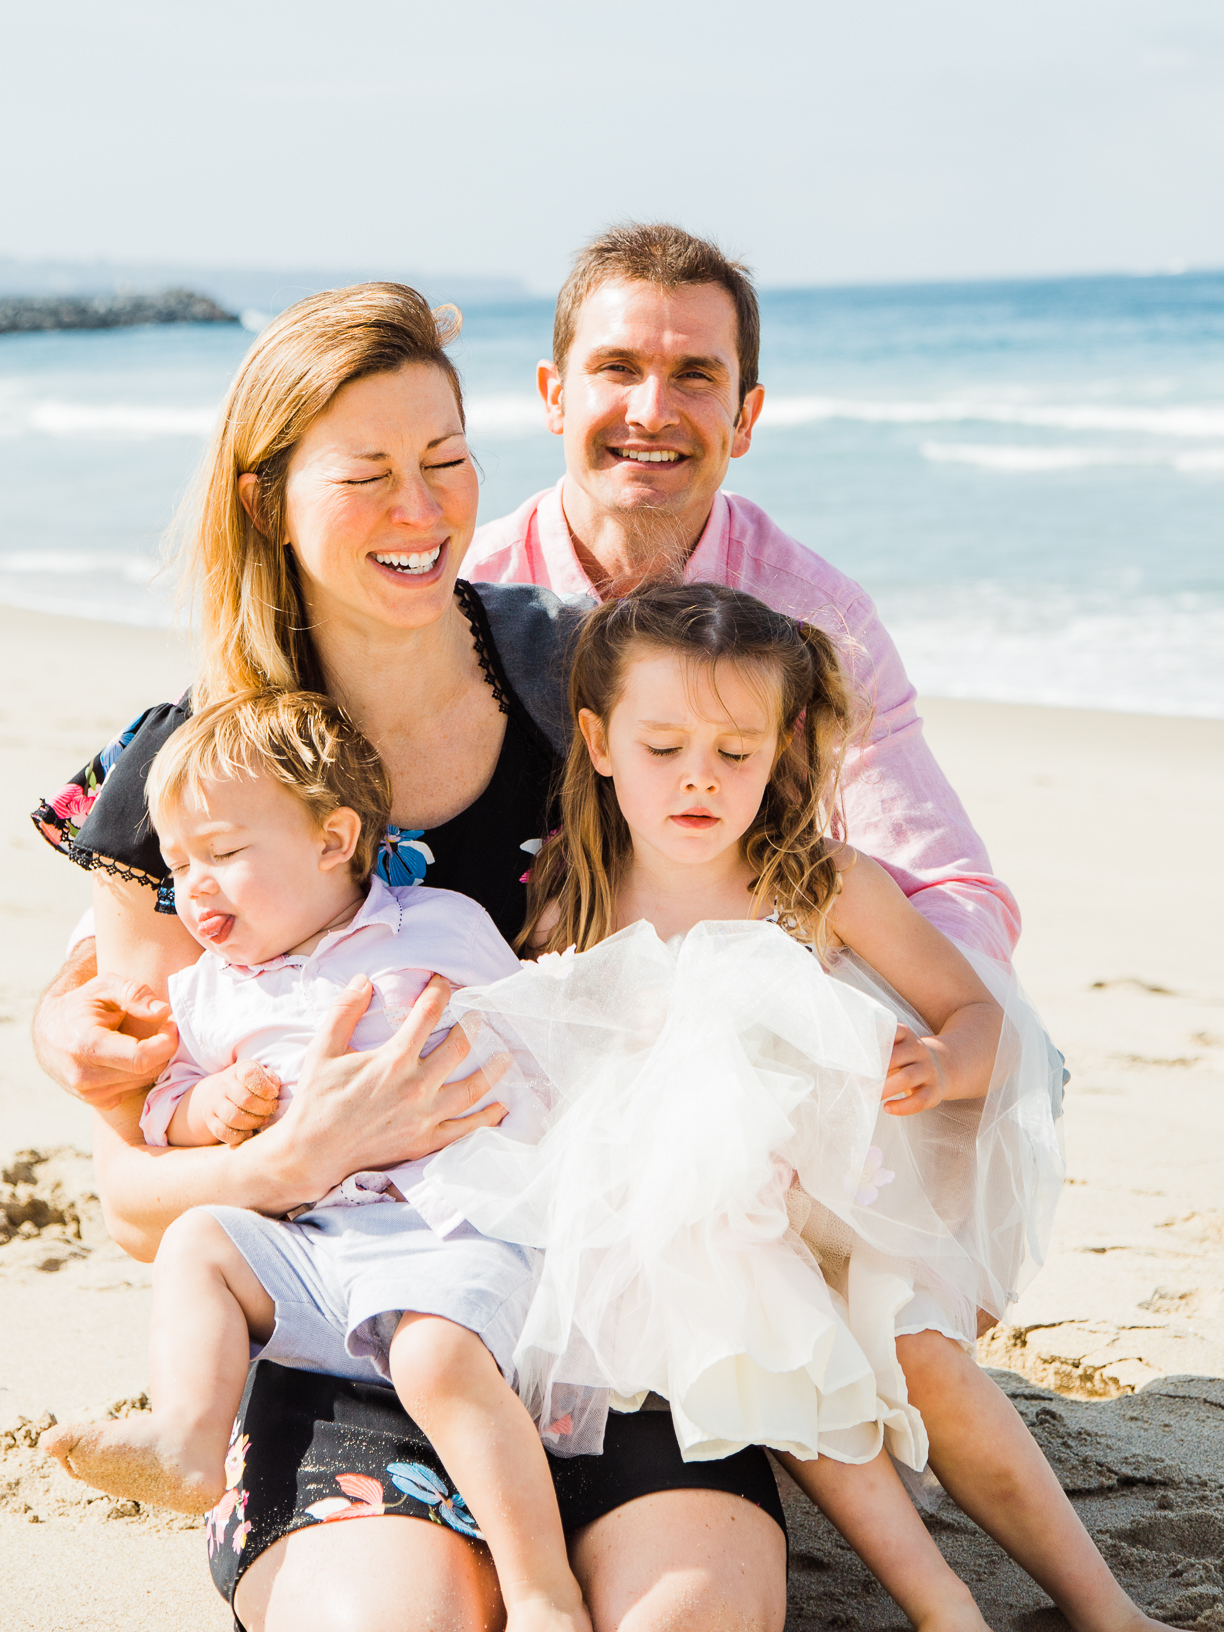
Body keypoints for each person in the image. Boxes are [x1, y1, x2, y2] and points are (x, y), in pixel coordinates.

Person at [31, 284, 791, 1632]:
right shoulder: (186, 776)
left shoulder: (594, 694)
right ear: (267, 500)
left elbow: (766, 923)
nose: (423, 507)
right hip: (341, 1330)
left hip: (592, 1299)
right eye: (369, 473)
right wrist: (295, 1153)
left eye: (446, 460)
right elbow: (138, 1200)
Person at [415, 582, 1164, 1632]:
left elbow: (988, 1024)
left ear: (783, 748)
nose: (698, 781)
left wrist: (942, 1066)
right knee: (761, 1315)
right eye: (664, 746)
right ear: (597, 740)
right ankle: (941, 1604)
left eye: (735, 752)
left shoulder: (818, 883)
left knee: (924, 1363)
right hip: (678, 1234)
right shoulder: (566, 894)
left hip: (844, 1205)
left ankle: (1105, 1606)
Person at [47, 688, 594, 1632]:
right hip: (313, 1245)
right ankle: (187, 1435)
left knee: (437, 1359)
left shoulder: (437, 925)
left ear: (335, 840)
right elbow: (164, 1108)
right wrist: (209, 1108)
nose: (196, 889)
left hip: (446, 1228)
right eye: (179, 868)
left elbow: (540, 1034)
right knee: (202, 1247)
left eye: (223, 854)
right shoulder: (211, 991)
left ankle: (541, 1589)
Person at [464, 221, 1019, 967]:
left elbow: (954, 892)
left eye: (696, 375)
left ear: (745, 417)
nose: (652, 411)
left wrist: (866, 1029)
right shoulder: (465, 594)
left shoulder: (817, 615)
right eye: (618, 368)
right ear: (555, 395)